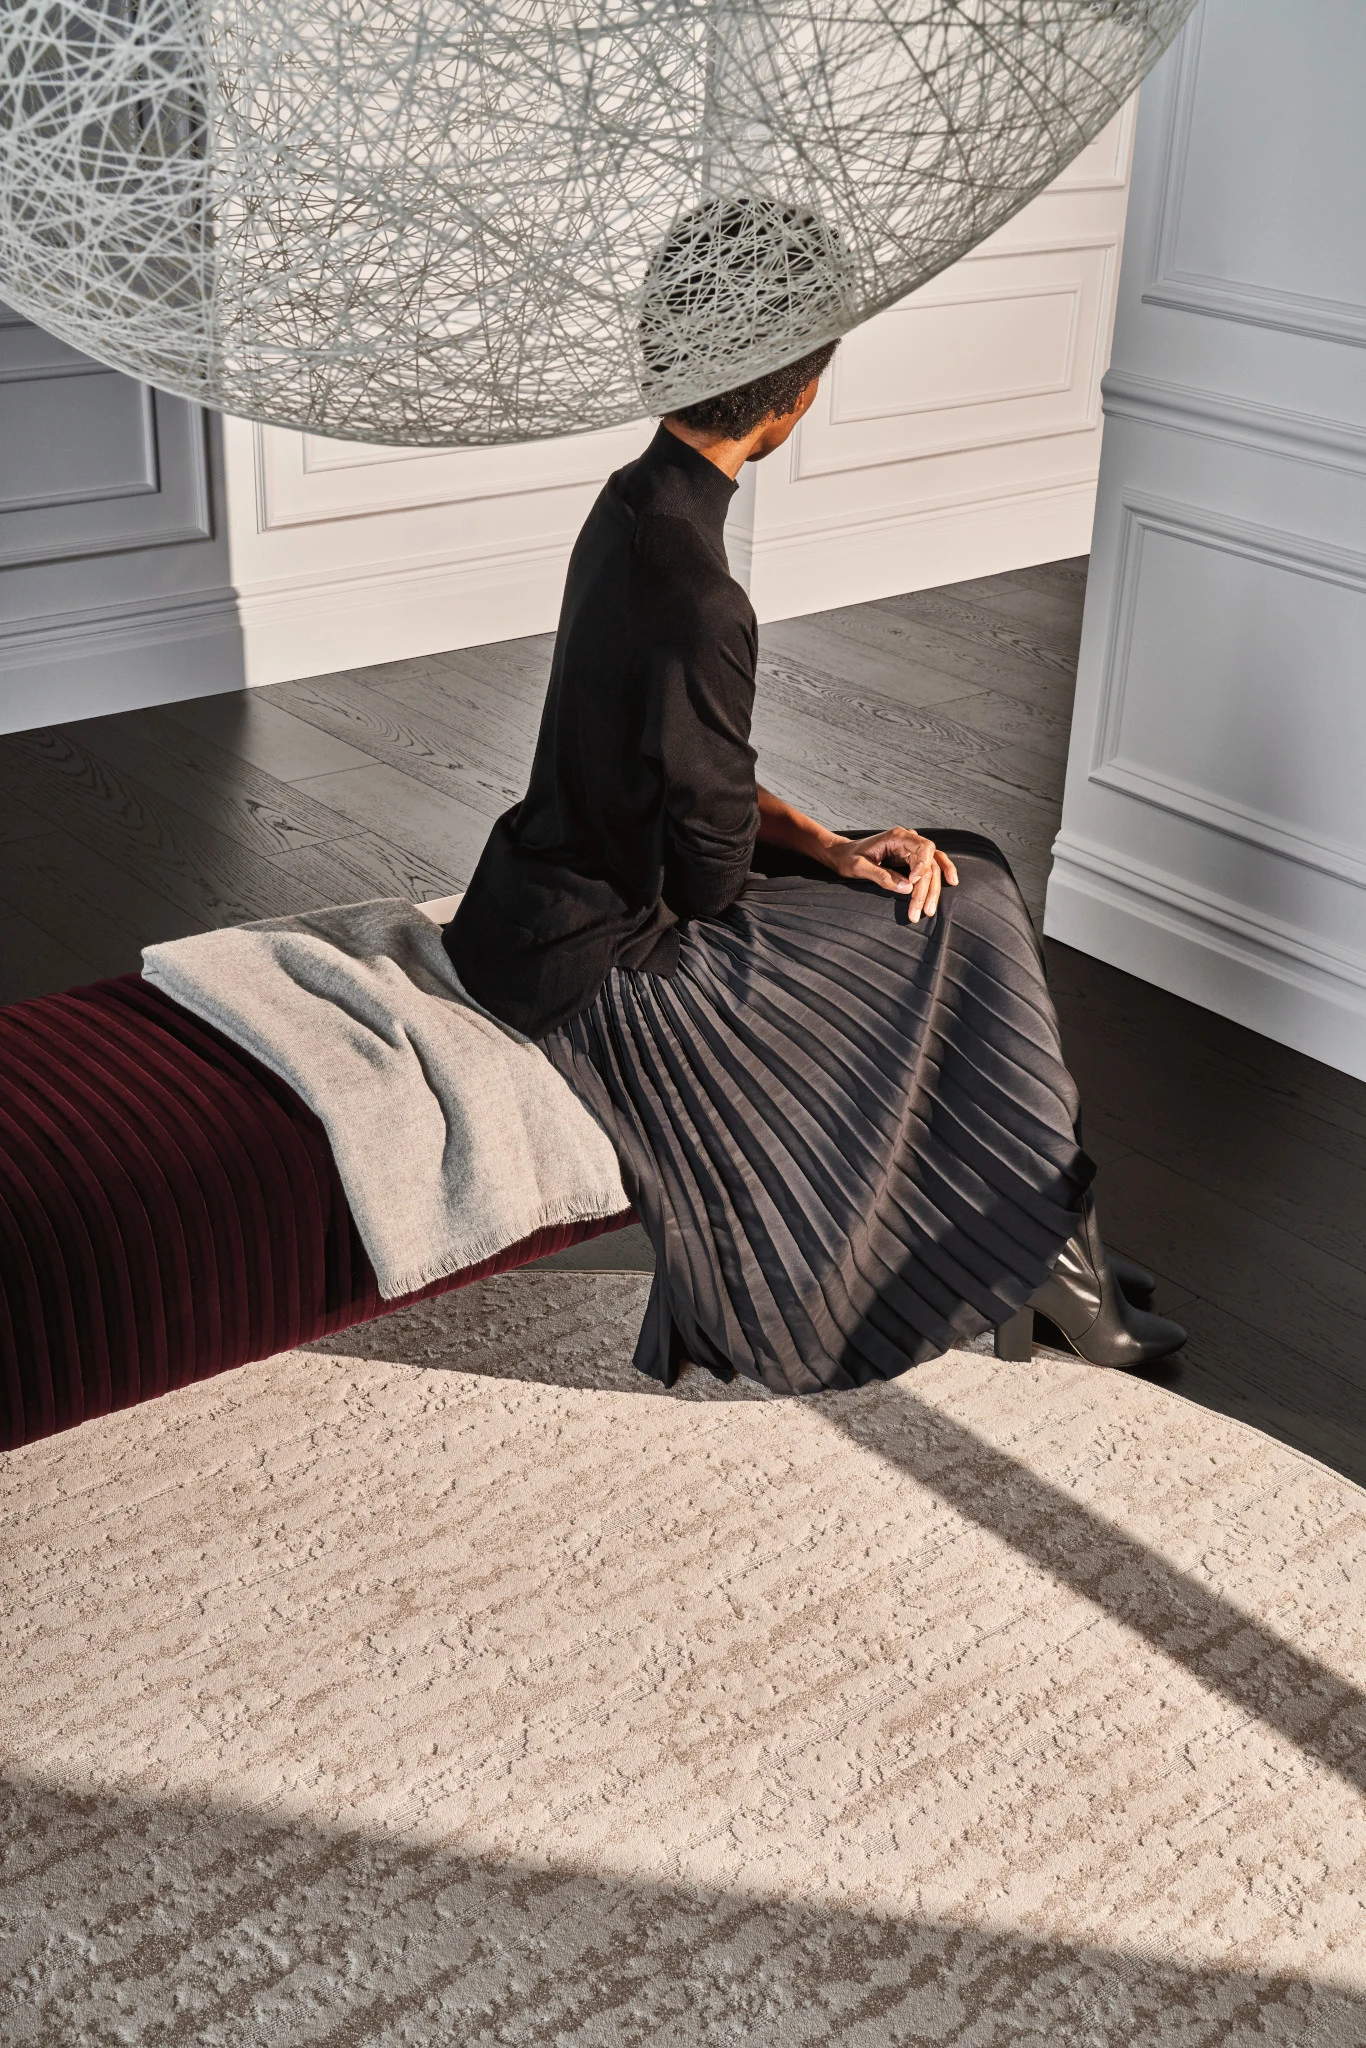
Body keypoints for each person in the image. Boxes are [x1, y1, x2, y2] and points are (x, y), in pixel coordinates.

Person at [445, 221, 1186, 1393]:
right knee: (972, 909)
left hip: (532, 905)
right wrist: (809, 854)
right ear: (793, 397)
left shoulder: (633, 503)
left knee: (965, 862)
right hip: (605, 967)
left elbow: (680, 771)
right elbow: (707, 878)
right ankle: (1054, 1261)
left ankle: (1048, 1242)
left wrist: (832, 846)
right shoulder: (699, 592)